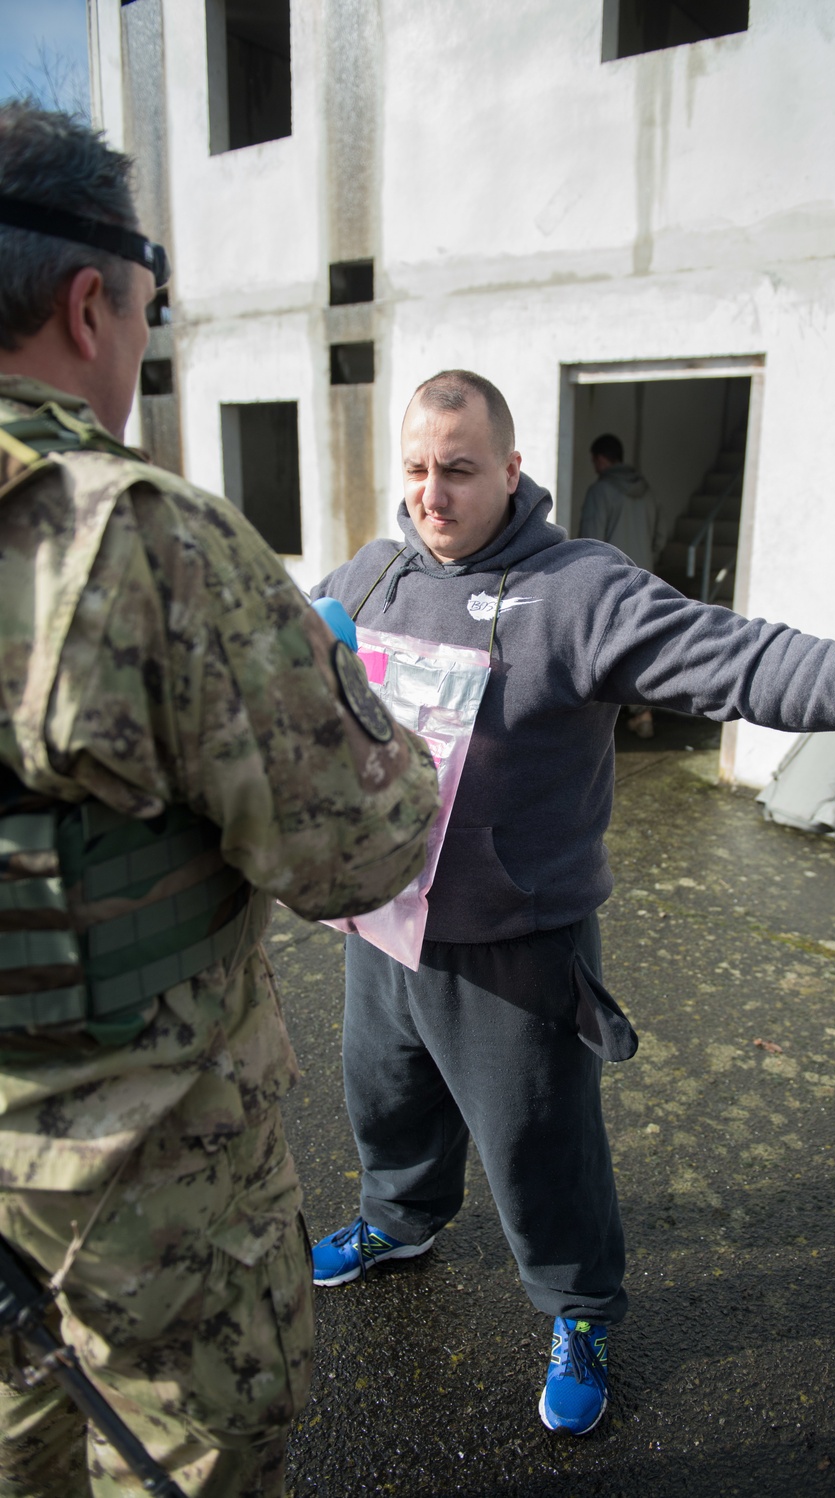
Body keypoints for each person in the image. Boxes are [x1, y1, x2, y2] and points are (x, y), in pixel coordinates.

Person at [310, 366, 835, 1438]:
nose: (431, 495)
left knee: (541, 1146)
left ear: (511, 468)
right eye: (415, 470)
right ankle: (397, 1219)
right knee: (384, 1098)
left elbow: (746, 661)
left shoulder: (578, 590)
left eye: (457, 470)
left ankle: (578, 1307)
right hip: (385, 925)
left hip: (512, 941)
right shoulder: (378, 570)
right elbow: (297, 649)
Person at [0, 103, 440, 1497]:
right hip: (148, 1194)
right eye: (149, 312)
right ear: (91, 303)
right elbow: (362, 846)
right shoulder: (140, 539)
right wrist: (346, 697)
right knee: (181, 1459)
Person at [578, 432, 670, 738]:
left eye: (594, 461)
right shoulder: (648, 492)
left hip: (611, 584)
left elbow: (591, 543)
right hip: (644, 580)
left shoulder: (600, 491)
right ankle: (643, 712)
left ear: (602, 459)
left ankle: (608, 720)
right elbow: (660, 537)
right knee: (641, 648)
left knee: (607, 650)